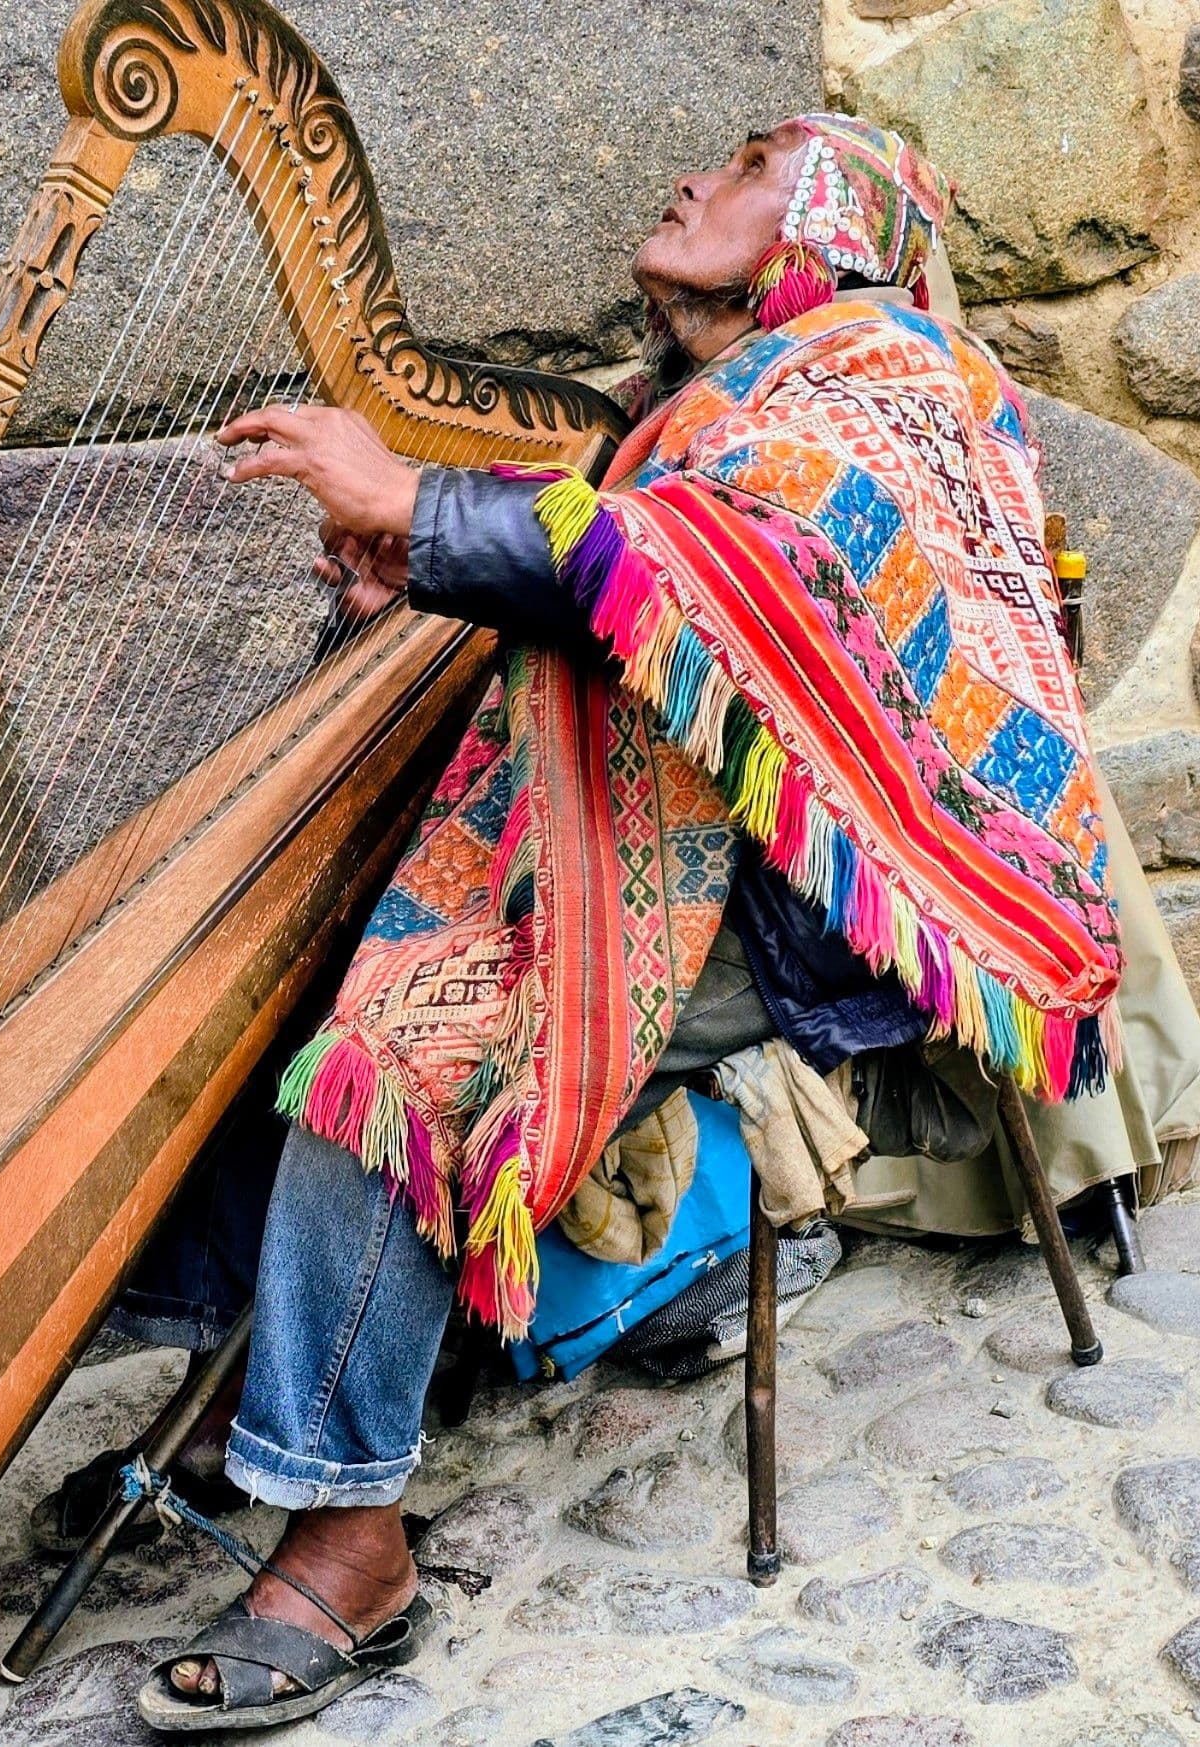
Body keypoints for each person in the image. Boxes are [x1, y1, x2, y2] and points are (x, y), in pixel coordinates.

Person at [108, 113, 1124, 1731]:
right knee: (292, 971)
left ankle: (346, 1534)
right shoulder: (693, 410)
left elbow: (745, 565)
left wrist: (425, 506)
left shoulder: (889, 370)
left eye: (736, 171)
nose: (685, 182)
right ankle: (278, 1382)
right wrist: (413, 562)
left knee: (407, 1049)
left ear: (829, 234)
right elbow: (628, 588)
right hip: (674, 842)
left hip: (829, 899)